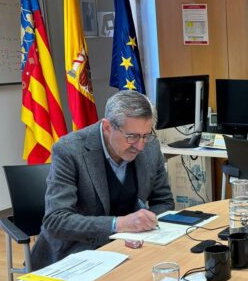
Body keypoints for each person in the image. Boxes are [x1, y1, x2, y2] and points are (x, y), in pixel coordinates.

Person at [31, 91, 174, 269]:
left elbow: (164, 201)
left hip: (129, 246)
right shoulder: (69, 151)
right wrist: (118, 224)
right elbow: (56, 220)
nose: (140, 146)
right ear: (107, 127)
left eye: (146, 135)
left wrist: (148, 221)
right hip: (75, 251)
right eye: (132, 136)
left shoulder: (150, 146)